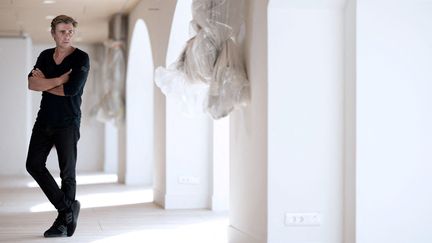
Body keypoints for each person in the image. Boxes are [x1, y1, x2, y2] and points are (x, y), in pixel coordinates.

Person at [26, 15, 89, 238]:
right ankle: (67, 209)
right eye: (62, 31)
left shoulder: (81, 58)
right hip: (44, 120)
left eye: (70, 31)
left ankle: (63, 223)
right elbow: (32, 83)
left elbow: (70, 91)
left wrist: (48, 83)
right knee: (33, 164)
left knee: (67, 173)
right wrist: (60, 79)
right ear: (53, 33)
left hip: (68, 122)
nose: (67, 35)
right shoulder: (45, 56)